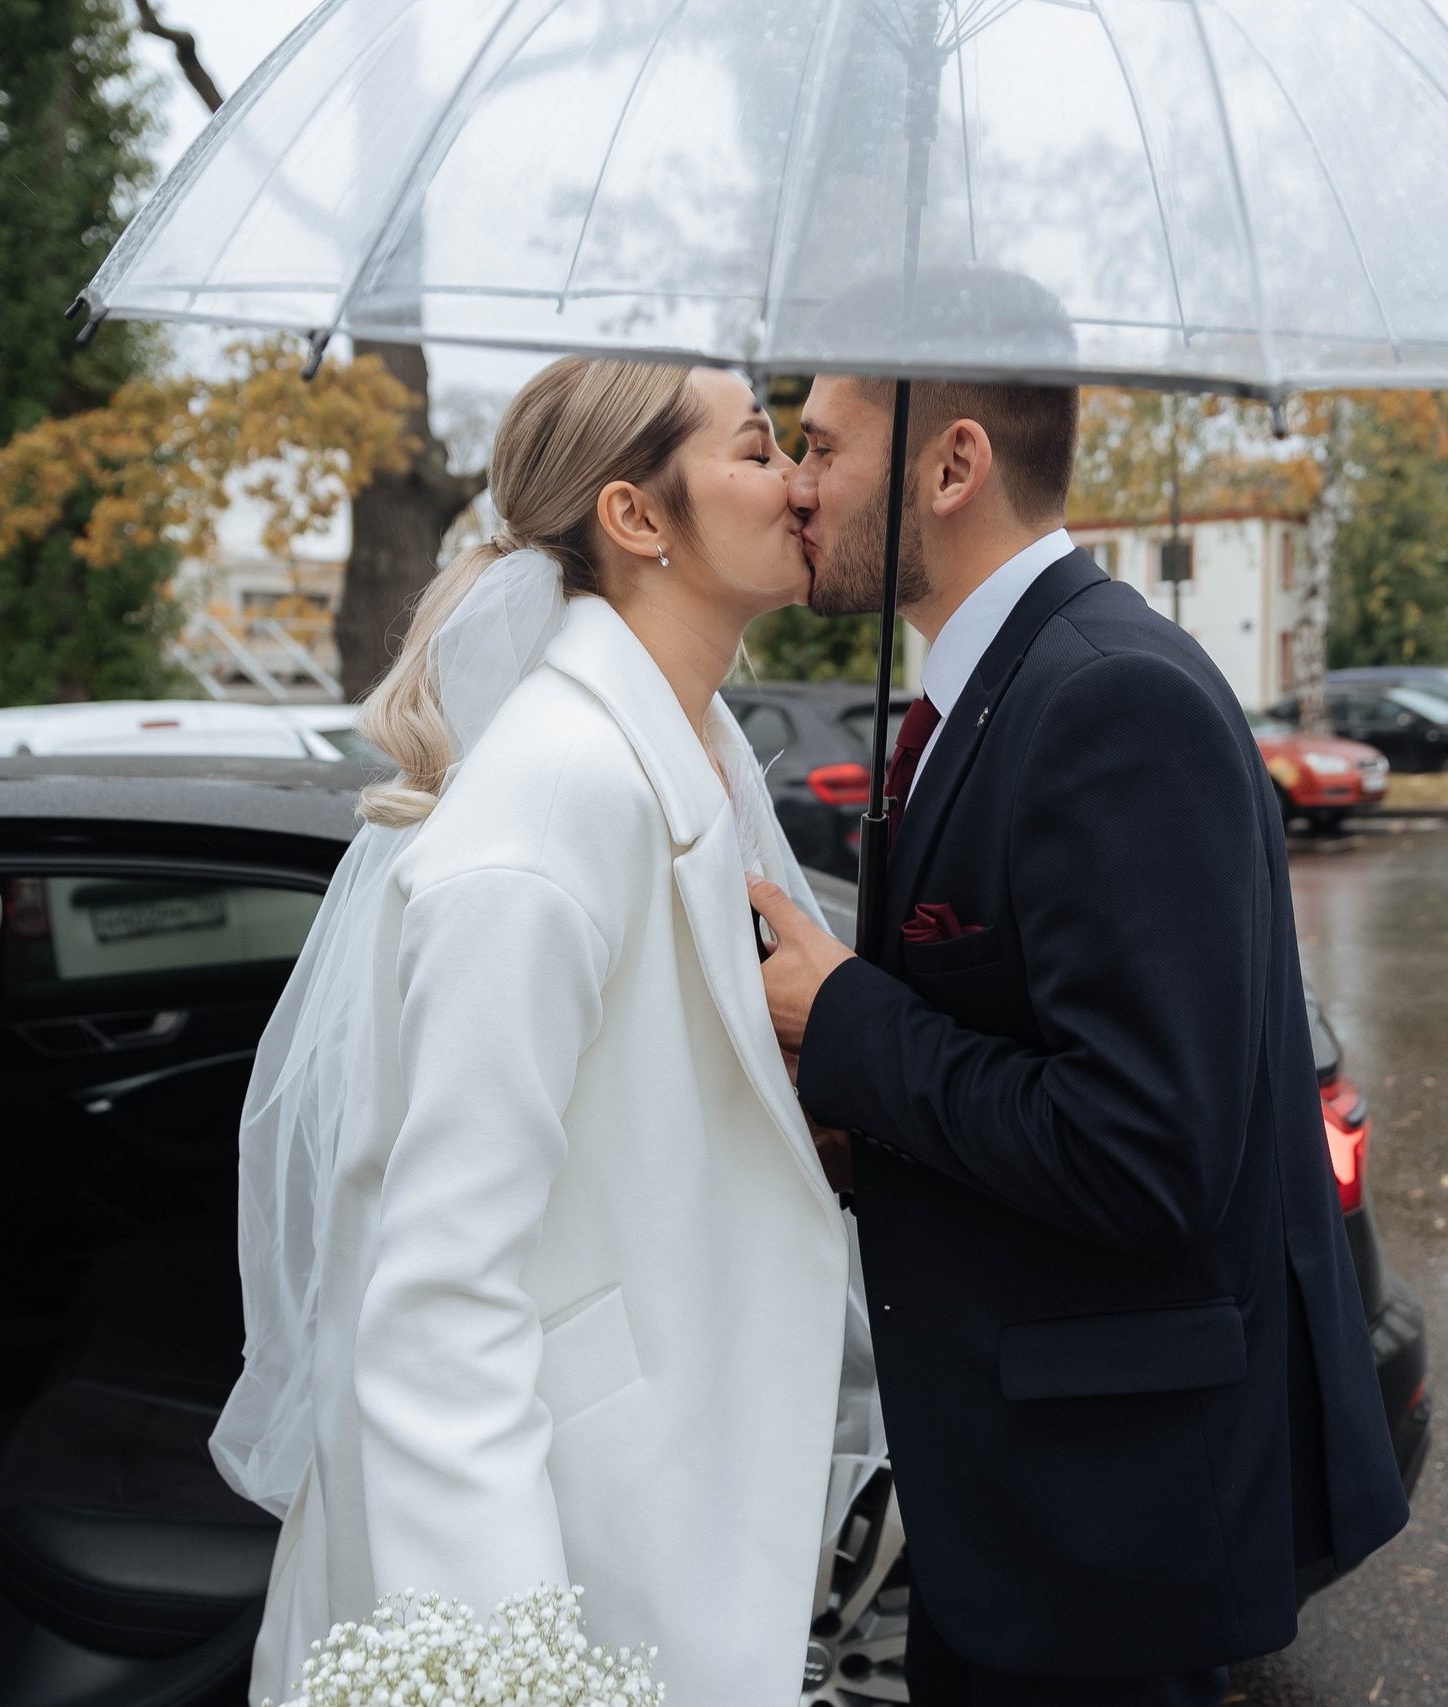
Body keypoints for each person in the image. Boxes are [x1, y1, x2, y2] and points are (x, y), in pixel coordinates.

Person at [750, 365, 1412, 1704]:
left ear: (953, 466)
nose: (797, 487)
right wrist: (857, 1133)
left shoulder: (1111, 699)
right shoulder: (988, 690)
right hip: (1011, 1510)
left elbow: (1144, 1152)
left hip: (1105, 1531)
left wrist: (850, 1023)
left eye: (821, 448)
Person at [222, 357, 878, 1706]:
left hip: (670, 1505)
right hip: (562, 1569)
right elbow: (441, 1299)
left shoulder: (689, 752)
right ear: (637, 517)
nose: (801, 485)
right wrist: (511, 1674)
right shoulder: (551, 801)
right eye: (760, 451)